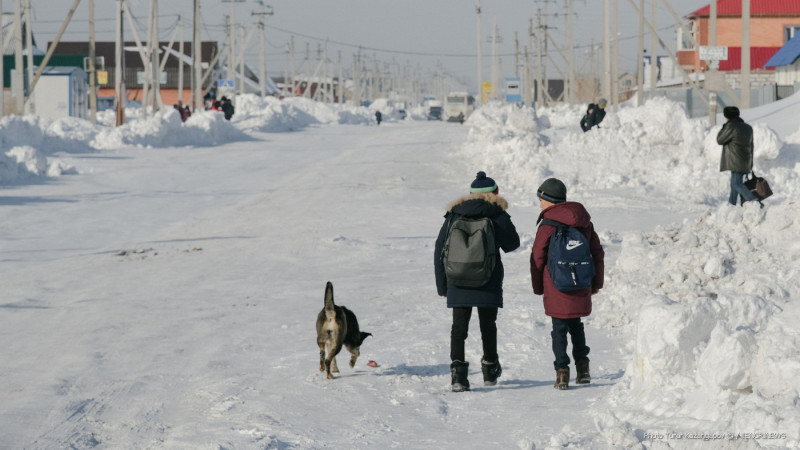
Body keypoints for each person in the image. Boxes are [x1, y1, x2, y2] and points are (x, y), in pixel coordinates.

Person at [434, 171, 520, 392]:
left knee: (458, 328)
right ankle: (490, 369)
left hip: (457, 278)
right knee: (488, 325)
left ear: (470, 194)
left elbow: (439, 249)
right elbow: (512, 244)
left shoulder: (454, 214)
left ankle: (458, 376)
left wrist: (442, 285)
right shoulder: (496, 213)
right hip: (488, 279)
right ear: (495, 192)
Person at [530, 178, 604, 390]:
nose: (539, 204)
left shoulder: (547, 225)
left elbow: (537, 257)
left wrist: (538, 286)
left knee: (559, 329)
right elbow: (597, 253)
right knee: (577, 326)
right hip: (581, 282)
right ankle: (583, 369)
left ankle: (562, 373)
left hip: (556, 285)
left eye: (541, 200)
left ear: (549, 200)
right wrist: (595, 283)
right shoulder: (584, 222)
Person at [717, 106, 759, 206]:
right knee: (734, 184)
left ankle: (754, 201)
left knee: (737, 184)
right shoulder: (748, 127)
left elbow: (720, 140)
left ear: (727, 116)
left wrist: (724, 127)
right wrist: (751, 162)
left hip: (735, 161)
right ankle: (731, 205)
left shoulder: (731, 127)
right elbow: (751, 145)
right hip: (745, 160)